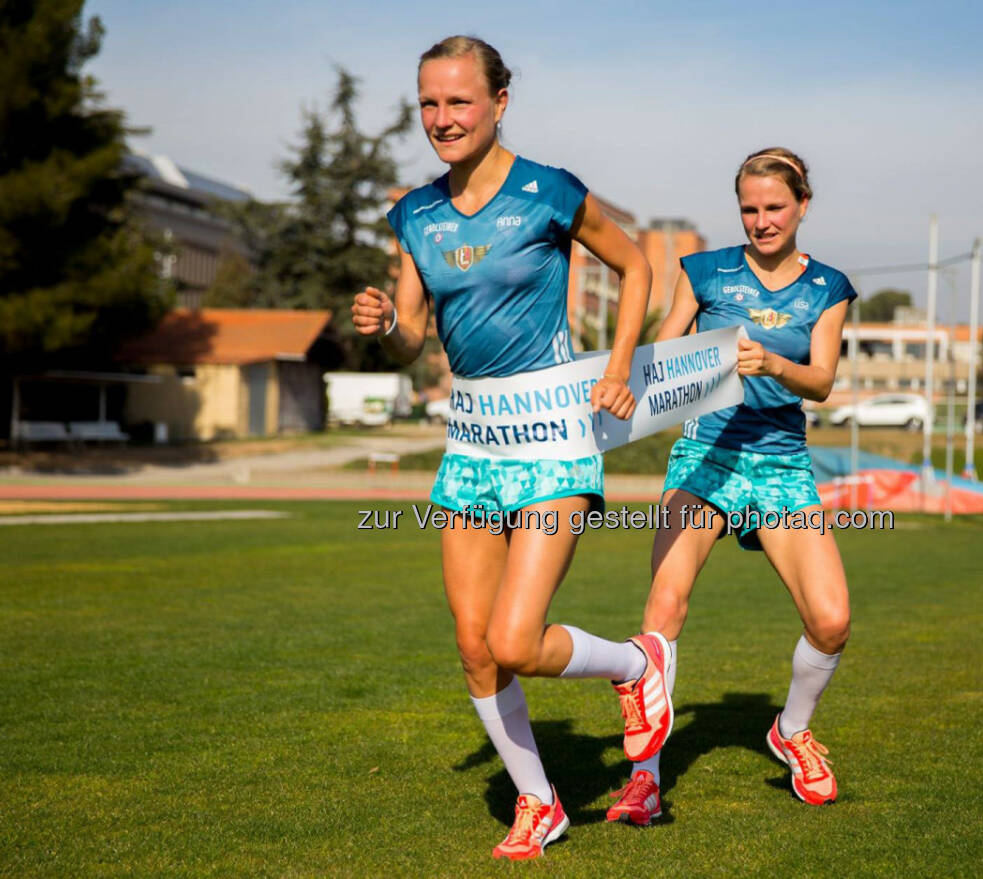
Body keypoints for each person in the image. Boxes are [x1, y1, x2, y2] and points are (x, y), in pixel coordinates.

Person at [351, 36, 674, 860]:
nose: (441, 119)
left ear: (500, 102)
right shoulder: (414, 214)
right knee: (473, 644)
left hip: (556, 438)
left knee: (516, 640)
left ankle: (635, 667)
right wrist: (390, 326)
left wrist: (620, 364)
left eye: (459, 101)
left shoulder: (548, 192)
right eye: (429, 103)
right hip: (471, 445)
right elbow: (414, 336)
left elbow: (637, 267)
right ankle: (540, 803)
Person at [605, 148, 856, 825]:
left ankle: (791, 729)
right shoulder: (704, 270)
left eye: (775, 207)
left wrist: (773, 361)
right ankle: (645, 778)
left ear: (803, 206)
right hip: (705, 454)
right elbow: (662, 351)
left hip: (780, 464)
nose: (761, 220)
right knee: (665, 605)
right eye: (749, 208)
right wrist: (635, 385)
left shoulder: (829, 288)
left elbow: (824, 382)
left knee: (831, 619)